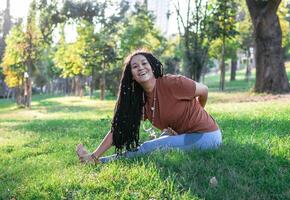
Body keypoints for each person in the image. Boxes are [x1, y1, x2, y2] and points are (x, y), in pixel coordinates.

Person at [76, 50, 222, 164]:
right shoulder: (141, 101)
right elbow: (120, 129)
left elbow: (204, 90)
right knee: (161, 141)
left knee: (149, 147)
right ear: (132, 75)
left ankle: (100, 163)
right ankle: (94, 159)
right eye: (135, 66)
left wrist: (197, 112)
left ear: (152, 66)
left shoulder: (173, 83)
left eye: (144, 63)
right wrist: (95, 153)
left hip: (207, 135)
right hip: (186, 135)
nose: (141, 68)